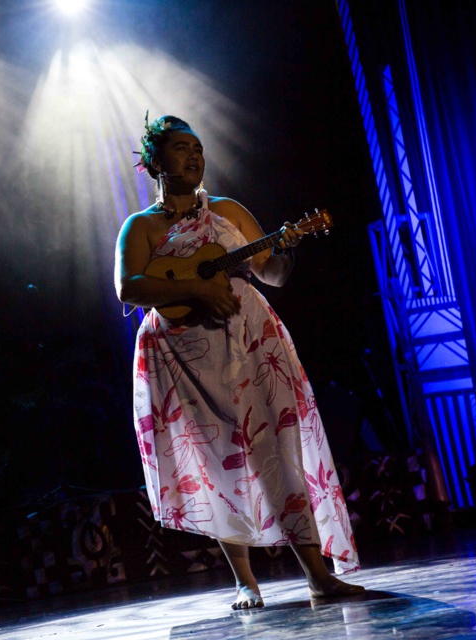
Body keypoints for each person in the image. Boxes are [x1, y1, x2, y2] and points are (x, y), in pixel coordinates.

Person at [114, 114, 365, 610]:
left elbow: (271, 276)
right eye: (182, 148)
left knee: (281, 448)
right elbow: (129, 287)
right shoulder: (139, 227)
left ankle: (319, 575)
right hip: (184, 358)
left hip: (251, 344)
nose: (194, 156)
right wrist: (196, 287)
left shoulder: (228, 211)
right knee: (214, 461)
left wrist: (284, 249)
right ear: (156, 161)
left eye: (198, 148)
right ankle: (245, 582)